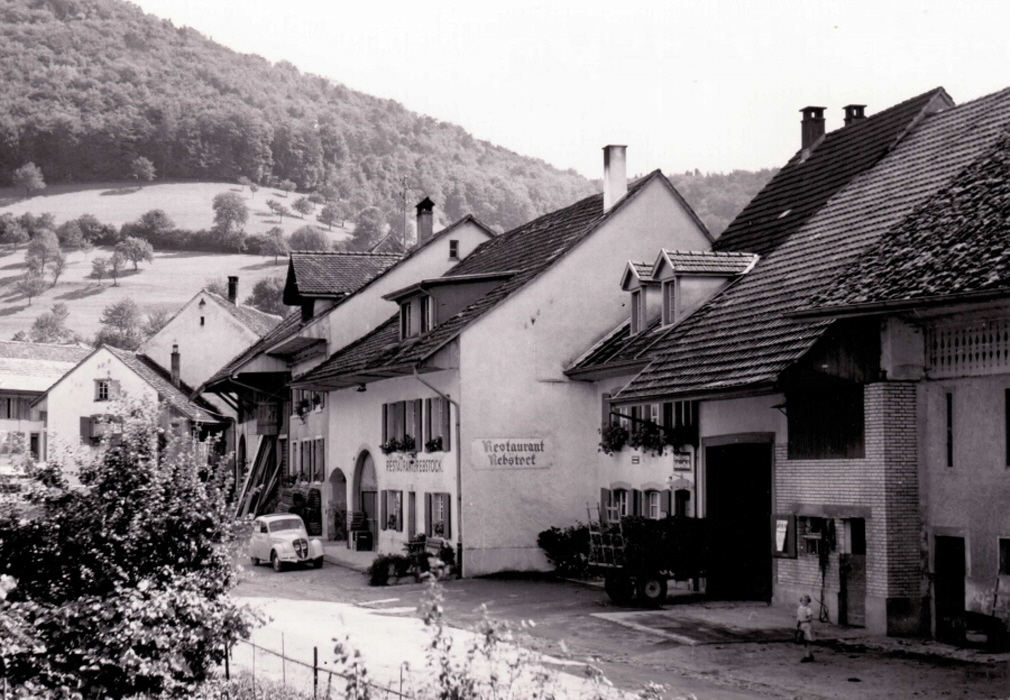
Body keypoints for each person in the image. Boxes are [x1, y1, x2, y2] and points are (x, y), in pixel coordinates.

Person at [797, 594, 815, 662]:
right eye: (803, 600)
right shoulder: (800, 608)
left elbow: (810, 618)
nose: (804, 602)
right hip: (801, 625)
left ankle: (807, 656)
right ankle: (809, 654)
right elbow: (799, 616)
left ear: (808, 601)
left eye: (806, 601)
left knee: (808, 640)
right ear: (801, 601)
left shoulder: (808, 609)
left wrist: (804, 620)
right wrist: (799, 623)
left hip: (807, 625)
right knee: (803, 640)